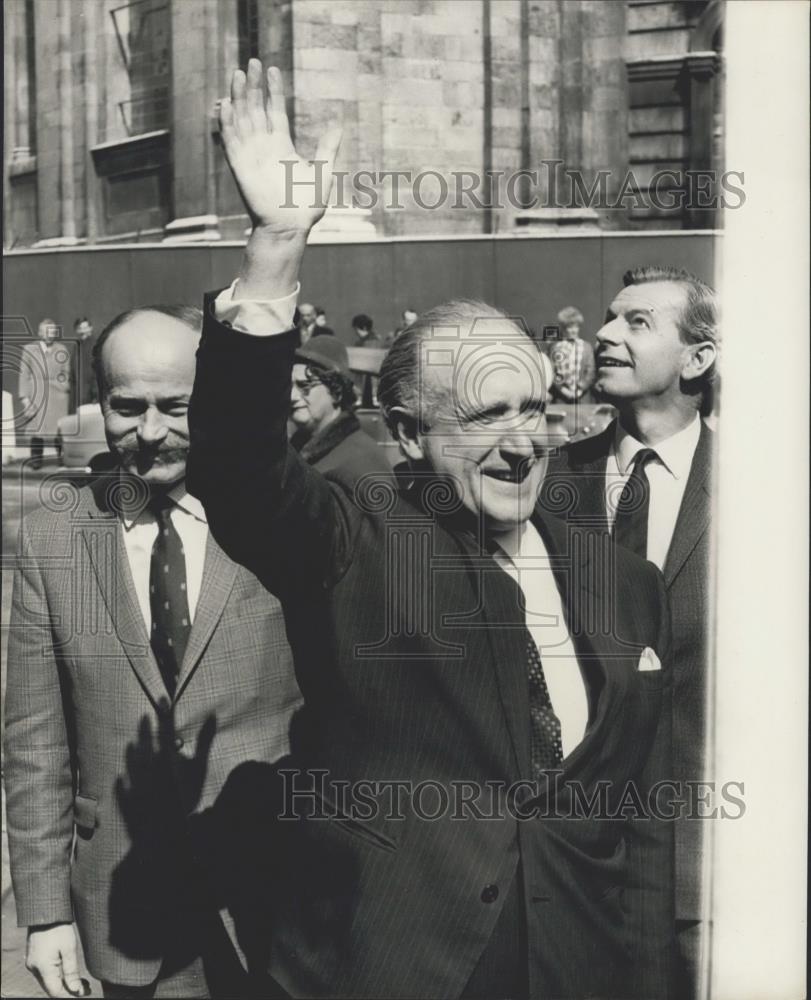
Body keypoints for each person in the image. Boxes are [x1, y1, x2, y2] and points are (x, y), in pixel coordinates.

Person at [187, 60, 675, 1000]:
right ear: (407, 434)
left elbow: (639, 826)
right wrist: (278, 244)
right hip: (394, 965)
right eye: (483, 416)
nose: (520, 443)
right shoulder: (353, 541)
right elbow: (238, 470)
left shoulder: (619, 580)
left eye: (533, 408)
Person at [5, 303, 302, 999]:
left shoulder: (281, 525)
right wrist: (46, 913)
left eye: (176, 406)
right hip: (129, 913)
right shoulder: (53, 545)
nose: (150, 432)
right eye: (126, 405)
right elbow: (35, 747)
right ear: (97, 405)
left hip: (280, 901)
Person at [543, 265, 718, 999]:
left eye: (637, 322)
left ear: (697, 358)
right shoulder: (547, 483)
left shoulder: (768, 481)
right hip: (570, 865)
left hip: (706, 863)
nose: (605, 336)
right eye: (608, 319)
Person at [290, 336, 392, 478]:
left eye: (304, 386)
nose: (292, 396)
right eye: (289, 386)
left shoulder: (363, 461)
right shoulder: (295, 447)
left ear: (336, 391)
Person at [18, 318, 72, 468]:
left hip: (57, 397)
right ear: (40, 332)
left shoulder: (62, 349)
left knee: (59, 429)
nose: (50, 334)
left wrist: (61, 387)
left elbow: (66, 373)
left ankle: (62, 459)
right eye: (47, 331)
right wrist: (25, 399)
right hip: (37, 395)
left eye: (53, 331)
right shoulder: (29, 349)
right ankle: (36, 460)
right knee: (37, 428)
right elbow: (24, 374)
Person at [548, 306, 596, 404]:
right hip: (561, 398)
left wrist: (580, 390)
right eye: (570, 327)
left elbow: (591, 372)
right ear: (563, 328)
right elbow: (552, 372)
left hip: (582, 398)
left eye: (576, 326)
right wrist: (563, 390)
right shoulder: (556, 347)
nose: (574, 330)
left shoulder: (586, 347)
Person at [74, 316, 99, 406]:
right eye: (80, 328)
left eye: (85, 328)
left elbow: (97, 371)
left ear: (90, 328)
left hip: (92, 394)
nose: (83, 331)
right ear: (77, 331)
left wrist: (96, 393)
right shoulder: (76, 346)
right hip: (79, 392)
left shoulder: (96, 345)